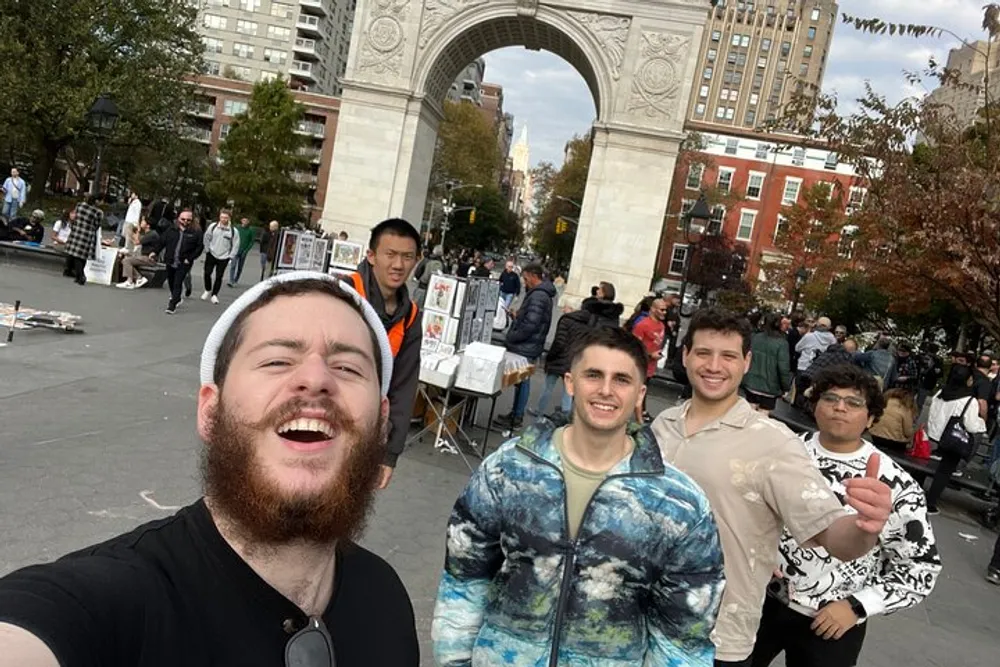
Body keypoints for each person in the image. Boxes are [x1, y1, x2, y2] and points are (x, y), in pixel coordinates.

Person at [0, 271, 420, 665]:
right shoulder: (113, 602)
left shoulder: (387, 600)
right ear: (210, 412)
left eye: (347, 367)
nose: (315, 378)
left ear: (383, 424)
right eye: (276, 361)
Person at [432, 327, 725, 665]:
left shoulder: (678, 504)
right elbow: (464, 581)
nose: (605, 390)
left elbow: (682, 638)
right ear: (570, 383)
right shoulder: (509, 469)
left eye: (621, 380)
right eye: (593, 375)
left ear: (639, 394)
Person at [651, 308, 893, 667]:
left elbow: (831, 532)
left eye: (728, 355)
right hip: (642, 620)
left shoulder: (773, 442)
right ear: (685, 355)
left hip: (714, 637)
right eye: (703, 352)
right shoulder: (662, 425)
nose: (714, 365)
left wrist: (865, 528)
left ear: (746, 361)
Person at [752, 365, 940, 667]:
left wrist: (857, 606)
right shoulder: (781, 453)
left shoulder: (897, 484)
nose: (839, 407)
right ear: (814, 405)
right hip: (758, 602)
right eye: (830, 398)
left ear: (871, 417)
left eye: (853, 403)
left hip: (832, 624)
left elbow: (920, 569)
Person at [345, 218, 421, 489]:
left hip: (366, 431)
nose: (398, 265)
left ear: (416, 261)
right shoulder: (345, 292)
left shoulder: (410, 315)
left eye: (407, 257)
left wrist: (390, 453)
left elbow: (404, 384)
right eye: (390, 254)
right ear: (372, 256)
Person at [533, 282, 624, 418]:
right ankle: (567, 416)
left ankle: (541, 411)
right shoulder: (611, 316)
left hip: (571, 354)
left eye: (599, 289)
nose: (597, 290)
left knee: (552, 386)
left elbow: (561, 341)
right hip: (589, 356)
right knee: (570, 390)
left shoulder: (583, 316)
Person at [495, 264, 556, 430]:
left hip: (526, 345)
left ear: (532, 275)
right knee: (522, 380)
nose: (524, 282)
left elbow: (531, 325)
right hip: (530, 343)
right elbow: (532, 319)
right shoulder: (541, 295)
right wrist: (518, 316)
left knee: (523, 381)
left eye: (525, 278)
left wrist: (512, 338)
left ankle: (517, 416)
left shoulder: (538, 296)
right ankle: (516, 414)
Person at [924, 364, 987, 515]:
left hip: (935, 435)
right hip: (952, 439)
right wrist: (982, 424)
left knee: (934, 467)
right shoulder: (968, 400)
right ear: (966, 380)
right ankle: (930, 503)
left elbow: (932, 412)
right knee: (944, 472)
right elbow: (971, 426)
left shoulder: (940, 392)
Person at [156, 210, 204, 314]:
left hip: (184, 262)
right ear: (178, 218)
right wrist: (154, 252)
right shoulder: (172, 229)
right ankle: (176, 297)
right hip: (170, 259)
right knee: (171, 281)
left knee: (178, 282)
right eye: (183, 219)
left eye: (188, 220)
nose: (185, 221)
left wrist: (190, 258)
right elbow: (162, 242)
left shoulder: (196, 232)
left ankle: (172, 305)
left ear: (192, 220)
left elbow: (199, 247)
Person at [742, 312, 792, 413]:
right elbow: (783, 368)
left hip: (751, 382)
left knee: (748, 412)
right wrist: (786, 387)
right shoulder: (782, 343)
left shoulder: (755, 337)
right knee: (762, 417)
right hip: (770, 386)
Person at [632, 298, 667, 421]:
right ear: (653, 309)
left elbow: (658, 343)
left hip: (651, 365)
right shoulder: (642, 325)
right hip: (641, 364)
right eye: (662, 310)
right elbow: (634, 347)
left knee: (644, 388)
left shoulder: (662, 325)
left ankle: (642, 413)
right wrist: (650, 355)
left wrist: (658, 354)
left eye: (666, 310)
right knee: (639, 389)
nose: (664, 312)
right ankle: (639, 418)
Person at [63, 196, 104, 285]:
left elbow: (75, 217)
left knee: (75, 254)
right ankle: (81, 275)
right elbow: (97, 224)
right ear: (96, 201)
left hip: (76, 232)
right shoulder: (98, 212)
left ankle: (77, 276)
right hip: (87, 234)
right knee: (82, 256)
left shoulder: (80, 206)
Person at [201, 210, 239, 304]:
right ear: (219, 217)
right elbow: (206, 237)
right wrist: (207, 249)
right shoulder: (213, 227)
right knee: (207, 273)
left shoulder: (233, 231)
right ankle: (207, 289)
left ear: (229, 218)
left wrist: (231, 257)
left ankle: (214, 295)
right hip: (212, 253)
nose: (223, 219)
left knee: (219, 276)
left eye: (226, 218)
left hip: (224, 256)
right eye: (222, 217)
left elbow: (236, 245)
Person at [868, 388, 917, 454]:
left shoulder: (884, 402)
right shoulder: (905, 408)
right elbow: (907, 432)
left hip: (875, 436)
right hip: (894, 441)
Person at [116, 218, 161, 289]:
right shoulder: (149, 234)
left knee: (126, 261)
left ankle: (130, 281)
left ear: (148, 225)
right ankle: (139, 278)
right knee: (126, 258)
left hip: (149, 258)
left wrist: (138, 231)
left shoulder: (151, 234)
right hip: (145, 257)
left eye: (143, 221)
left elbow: (137, 242)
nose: (141, 223)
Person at [411, 244, 444, 308]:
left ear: (433, 251)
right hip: (434, 291)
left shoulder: (426, 260)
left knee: (415, 308)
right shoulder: (443, 264)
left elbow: (417, 273)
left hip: (422, 288)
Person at [227, 217, 256, 287]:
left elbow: (251, 242)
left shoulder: (251, 230)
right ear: (241, 221)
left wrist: (246, 250)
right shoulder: (237, 228)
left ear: (248, 222)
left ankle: (236, 280)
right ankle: (231, 280)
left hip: (243, 251)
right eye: (243, 220)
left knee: (240, 267)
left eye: (246, 220)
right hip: (236, 249)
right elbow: (233, 237)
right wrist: (231, 247)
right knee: (233, 265)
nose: (244, 222)